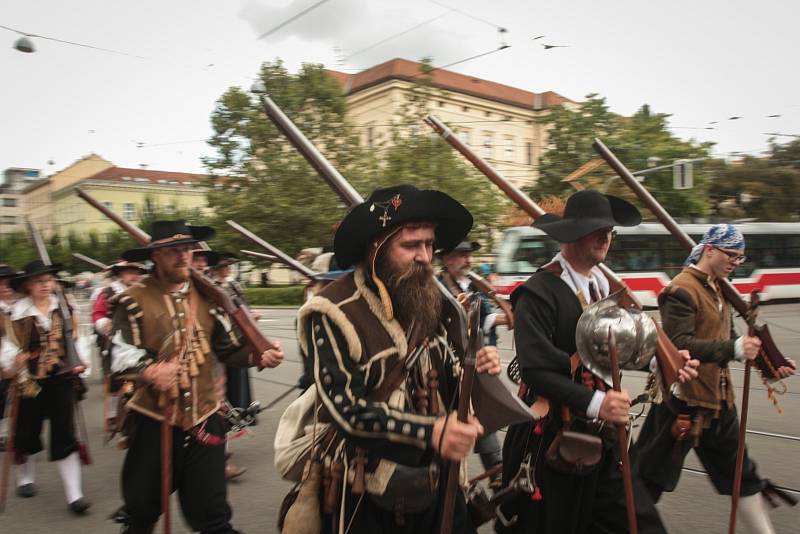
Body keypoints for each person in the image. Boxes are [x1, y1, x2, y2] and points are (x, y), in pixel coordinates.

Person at [293, 184, 501, 533]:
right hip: (368, 488)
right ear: (376, 250)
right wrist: (431, 431)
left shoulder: (433, 301)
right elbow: (348, 412)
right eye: (411, 245)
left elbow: (448, 384)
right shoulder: (329, 311)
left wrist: (475, 370)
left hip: (440, 480)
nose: (424, 256)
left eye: (430, 244)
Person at [496, 189, 699, 534]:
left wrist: (658, 362)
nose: (606, 237)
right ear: (573, 233)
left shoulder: (602, 288)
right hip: (553, 441)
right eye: (597, 229)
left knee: (642, 524)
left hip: (604, 438)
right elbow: (535, 369)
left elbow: (612, 350)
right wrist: (597, 403)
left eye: (609, 230)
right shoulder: (538, 292)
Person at [108, 220, 284, 533]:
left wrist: (259, 356)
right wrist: (150, 370)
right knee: (140, 514)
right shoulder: (132, 299)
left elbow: (229, 350)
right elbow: (118, 355)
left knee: (214, 518)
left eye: (187, 249)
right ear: (155, 257)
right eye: (172, 251)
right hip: (154, 420)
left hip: (205, 418)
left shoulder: (208, 298)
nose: (183, 256)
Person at [631, 223, 796, 533]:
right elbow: (680, 344)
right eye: (731, 255)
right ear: (709, 250)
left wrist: (771, 366)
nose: (736, 262)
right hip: (680, 405)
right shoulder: (680, 289)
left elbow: (728, 339)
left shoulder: (716, 287)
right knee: (642, 481)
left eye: (740, 258)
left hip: (719, 404)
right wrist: (733, 347)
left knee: (742, 479)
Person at [0, 260, 92, 514]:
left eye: (48, 280)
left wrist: (81, 362)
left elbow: (77, 338)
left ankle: (75, 496)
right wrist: (13, 358)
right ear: (28, 285)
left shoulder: (63, 308)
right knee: (27, 431)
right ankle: (25, 478)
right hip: (29, 381)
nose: (45, 285)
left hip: (61, 378)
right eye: (40, 281)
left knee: (65, 432)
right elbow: (7, 344)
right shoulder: (16, 313)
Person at [439, 240, 507, 487]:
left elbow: (487, 318)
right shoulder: (439, 288)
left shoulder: (474, 288)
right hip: (450, 365)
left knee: (481, 411)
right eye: (462, 255)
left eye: (469, 255)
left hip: (478, 365)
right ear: (447, 259)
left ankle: (496, 470)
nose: (468, 260)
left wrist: (512, 315)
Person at [207, 250, 257, 480]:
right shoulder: (209, 289)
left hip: (236, 346)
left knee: (232, 401)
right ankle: (218, 456)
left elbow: (242, 310)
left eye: (228, 266)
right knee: (220, 403)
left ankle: (220, 451)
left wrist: (250, 317)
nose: (226, 270)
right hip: (218, 350)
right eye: (223, 267)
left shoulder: (233, 287)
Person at [91, 260, 147, 431]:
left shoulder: (145, 291)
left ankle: (136, 414)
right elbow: (97, 314)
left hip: (140, 340)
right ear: (121, 274)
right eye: (130, 272)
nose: (134, 275)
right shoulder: (108, 293)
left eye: (137, 272)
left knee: (141, 380)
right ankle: (113, 416)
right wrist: (104, 324)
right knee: (116, 382)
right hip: (113, 341)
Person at [0, 264, 19, 451]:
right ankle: (3, 433)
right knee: (2, 397)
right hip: (2, 362)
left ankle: (18, 431)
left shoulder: (21, 307)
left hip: (22, 361)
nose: (5, 287)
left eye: (8, 284)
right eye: (1, 284)